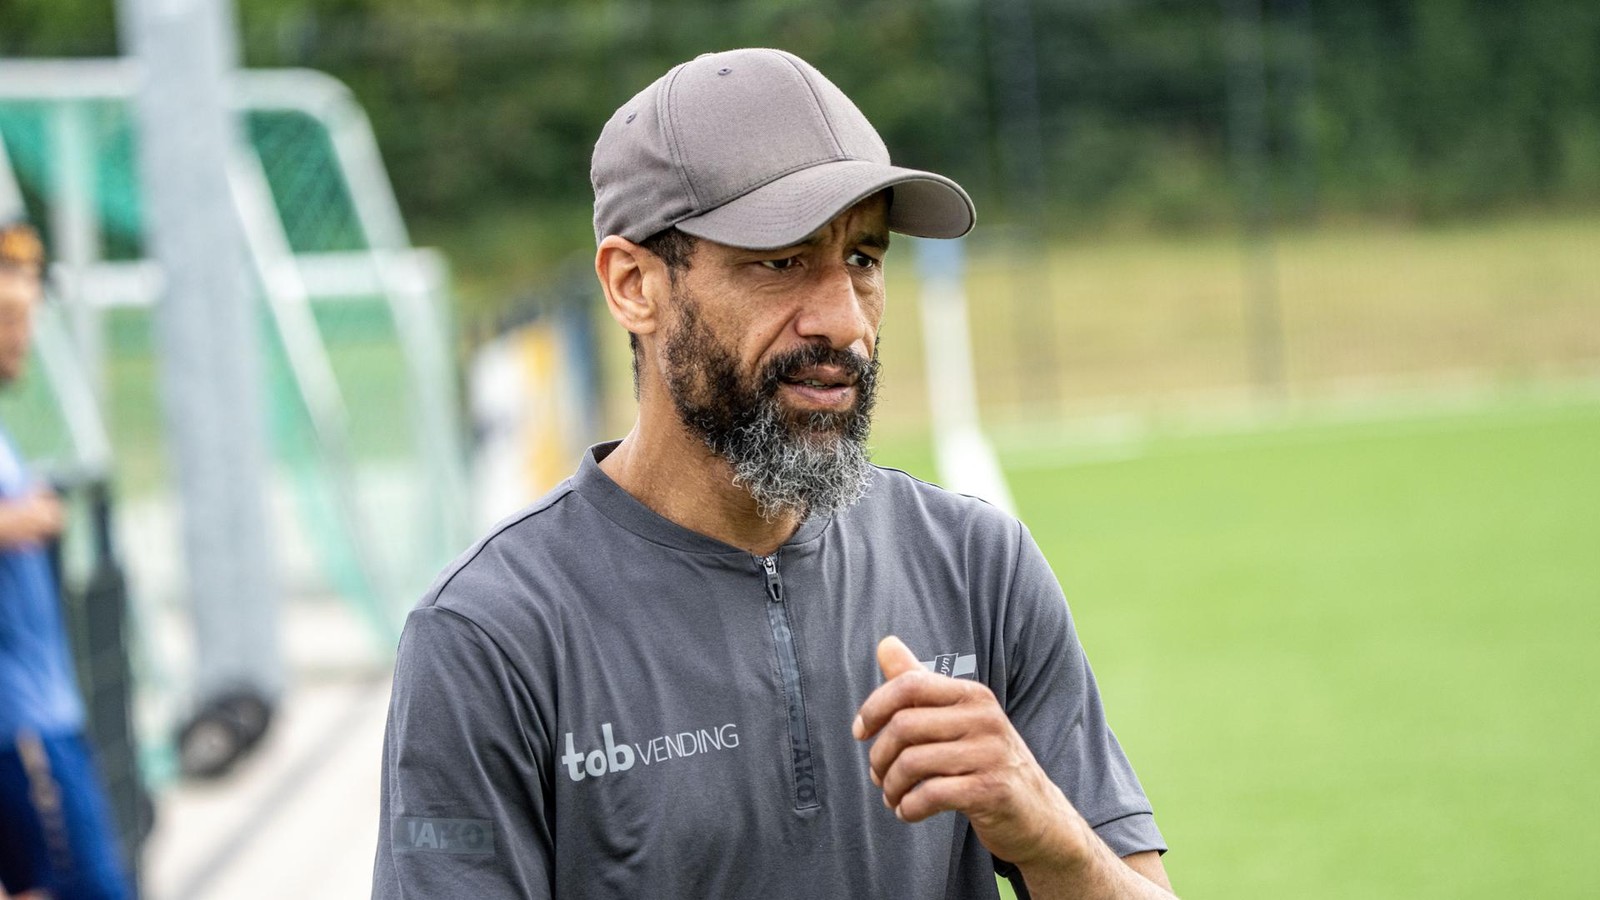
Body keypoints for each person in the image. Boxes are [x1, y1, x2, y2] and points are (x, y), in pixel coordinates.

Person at [374, 48, 1173, 899]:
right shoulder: (489, 637)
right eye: (781, 261)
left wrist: (1046, 830)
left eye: (864, 259)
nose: (844, 322)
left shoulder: (978, 564)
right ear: (634, 284)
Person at [0, 220, 132, 900]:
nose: (23, 335)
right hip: (23, 724)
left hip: (45, 712)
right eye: (11, 318)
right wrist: (20, 519)